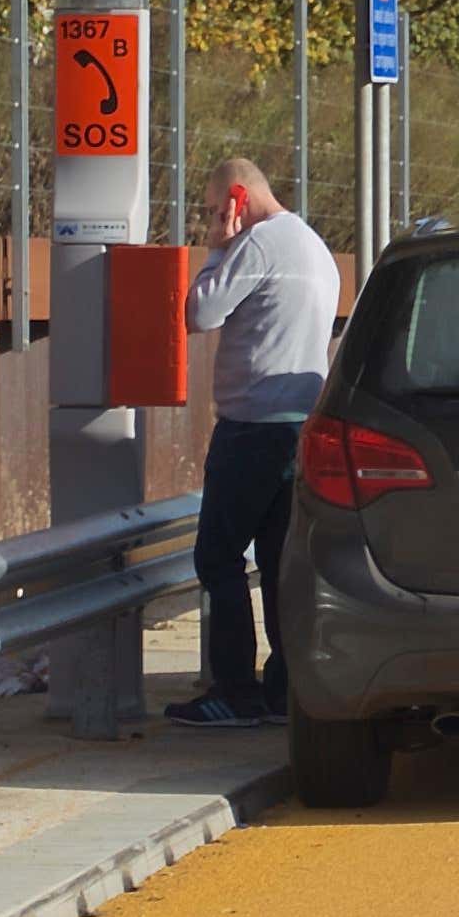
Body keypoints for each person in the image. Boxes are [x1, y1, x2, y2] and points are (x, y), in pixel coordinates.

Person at [168, 156, 341, 728]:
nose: (215, 218)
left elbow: (199, 311)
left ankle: (234, 691)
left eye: (218, 208)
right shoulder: (312, 246)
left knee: (217, 558)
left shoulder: (260, 245)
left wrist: (218, 246)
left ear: (237, 199)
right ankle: (283, 688)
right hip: (300, 426)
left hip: (253, 427)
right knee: (277, 561)